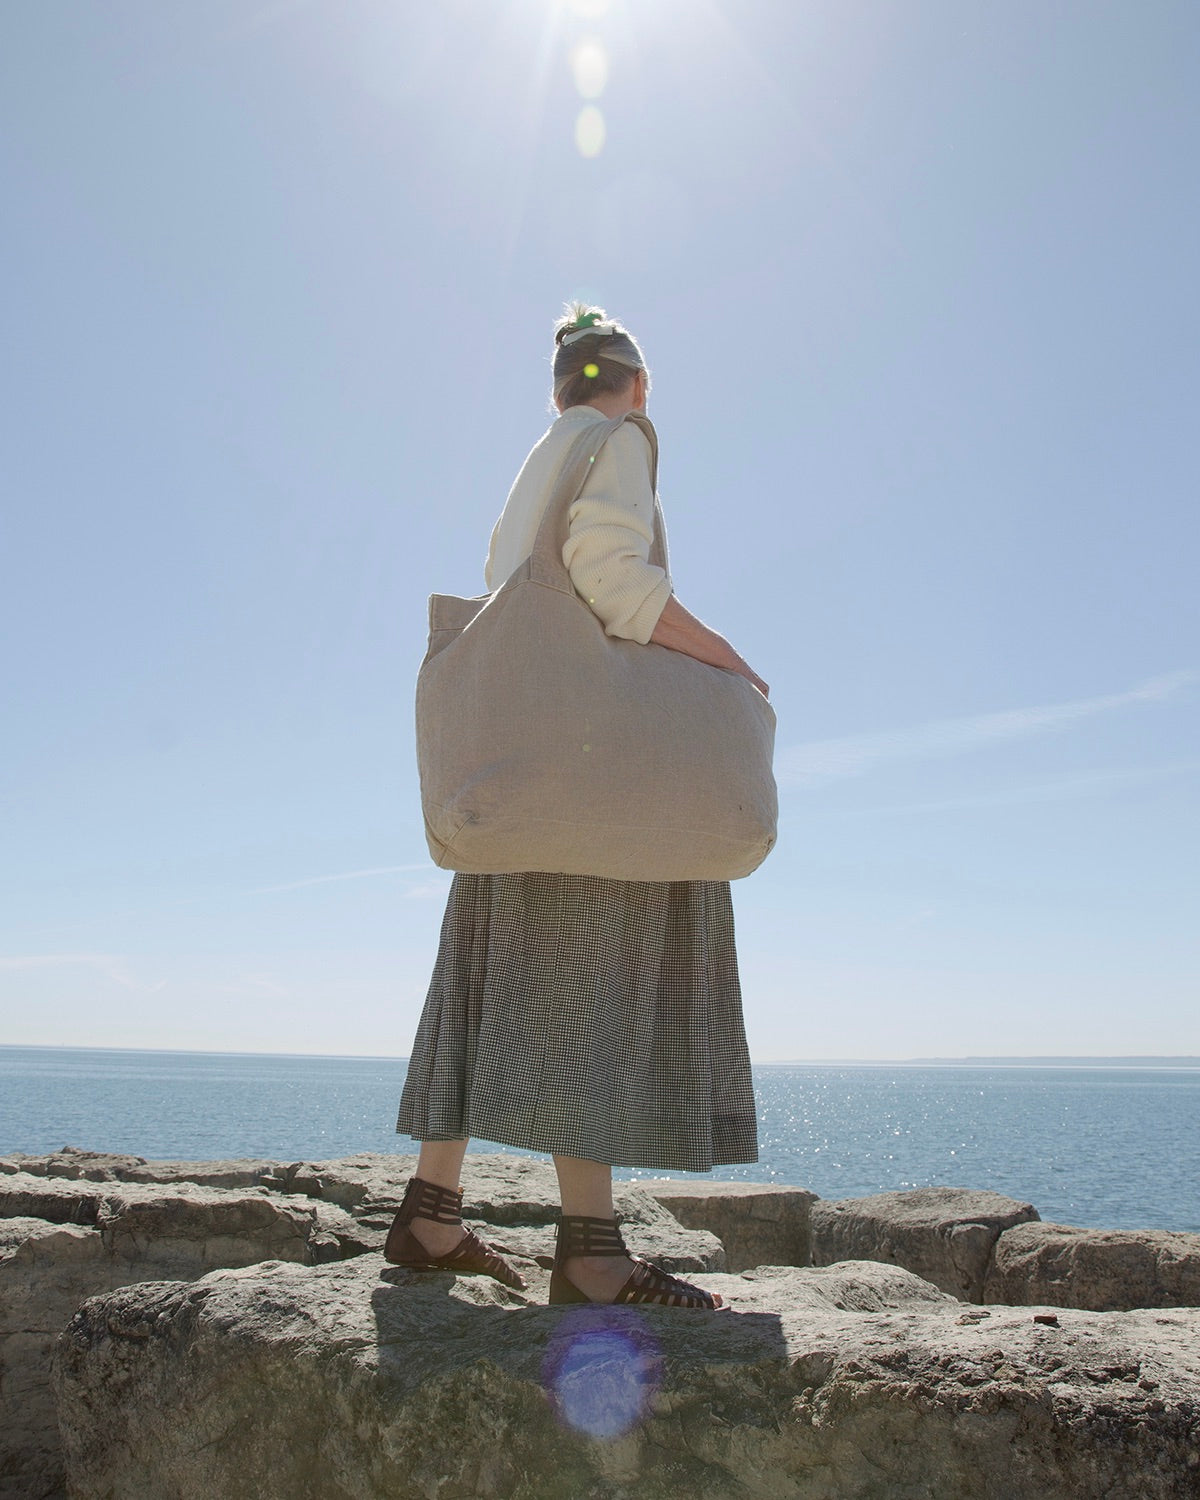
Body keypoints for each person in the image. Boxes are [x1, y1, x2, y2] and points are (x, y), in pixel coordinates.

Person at [388, 304, 768, 1308]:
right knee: (594, 982)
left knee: (486, 970)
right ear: (635, 385)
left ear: (561, 385)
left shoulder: (542, 457)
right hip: (594, 774)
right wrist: (728, 661)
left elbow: (513, 584)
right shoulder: (623, 438)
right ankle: (593, 1254)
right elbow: (612, 579)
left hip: (516, 774)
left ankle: (431, 1212)